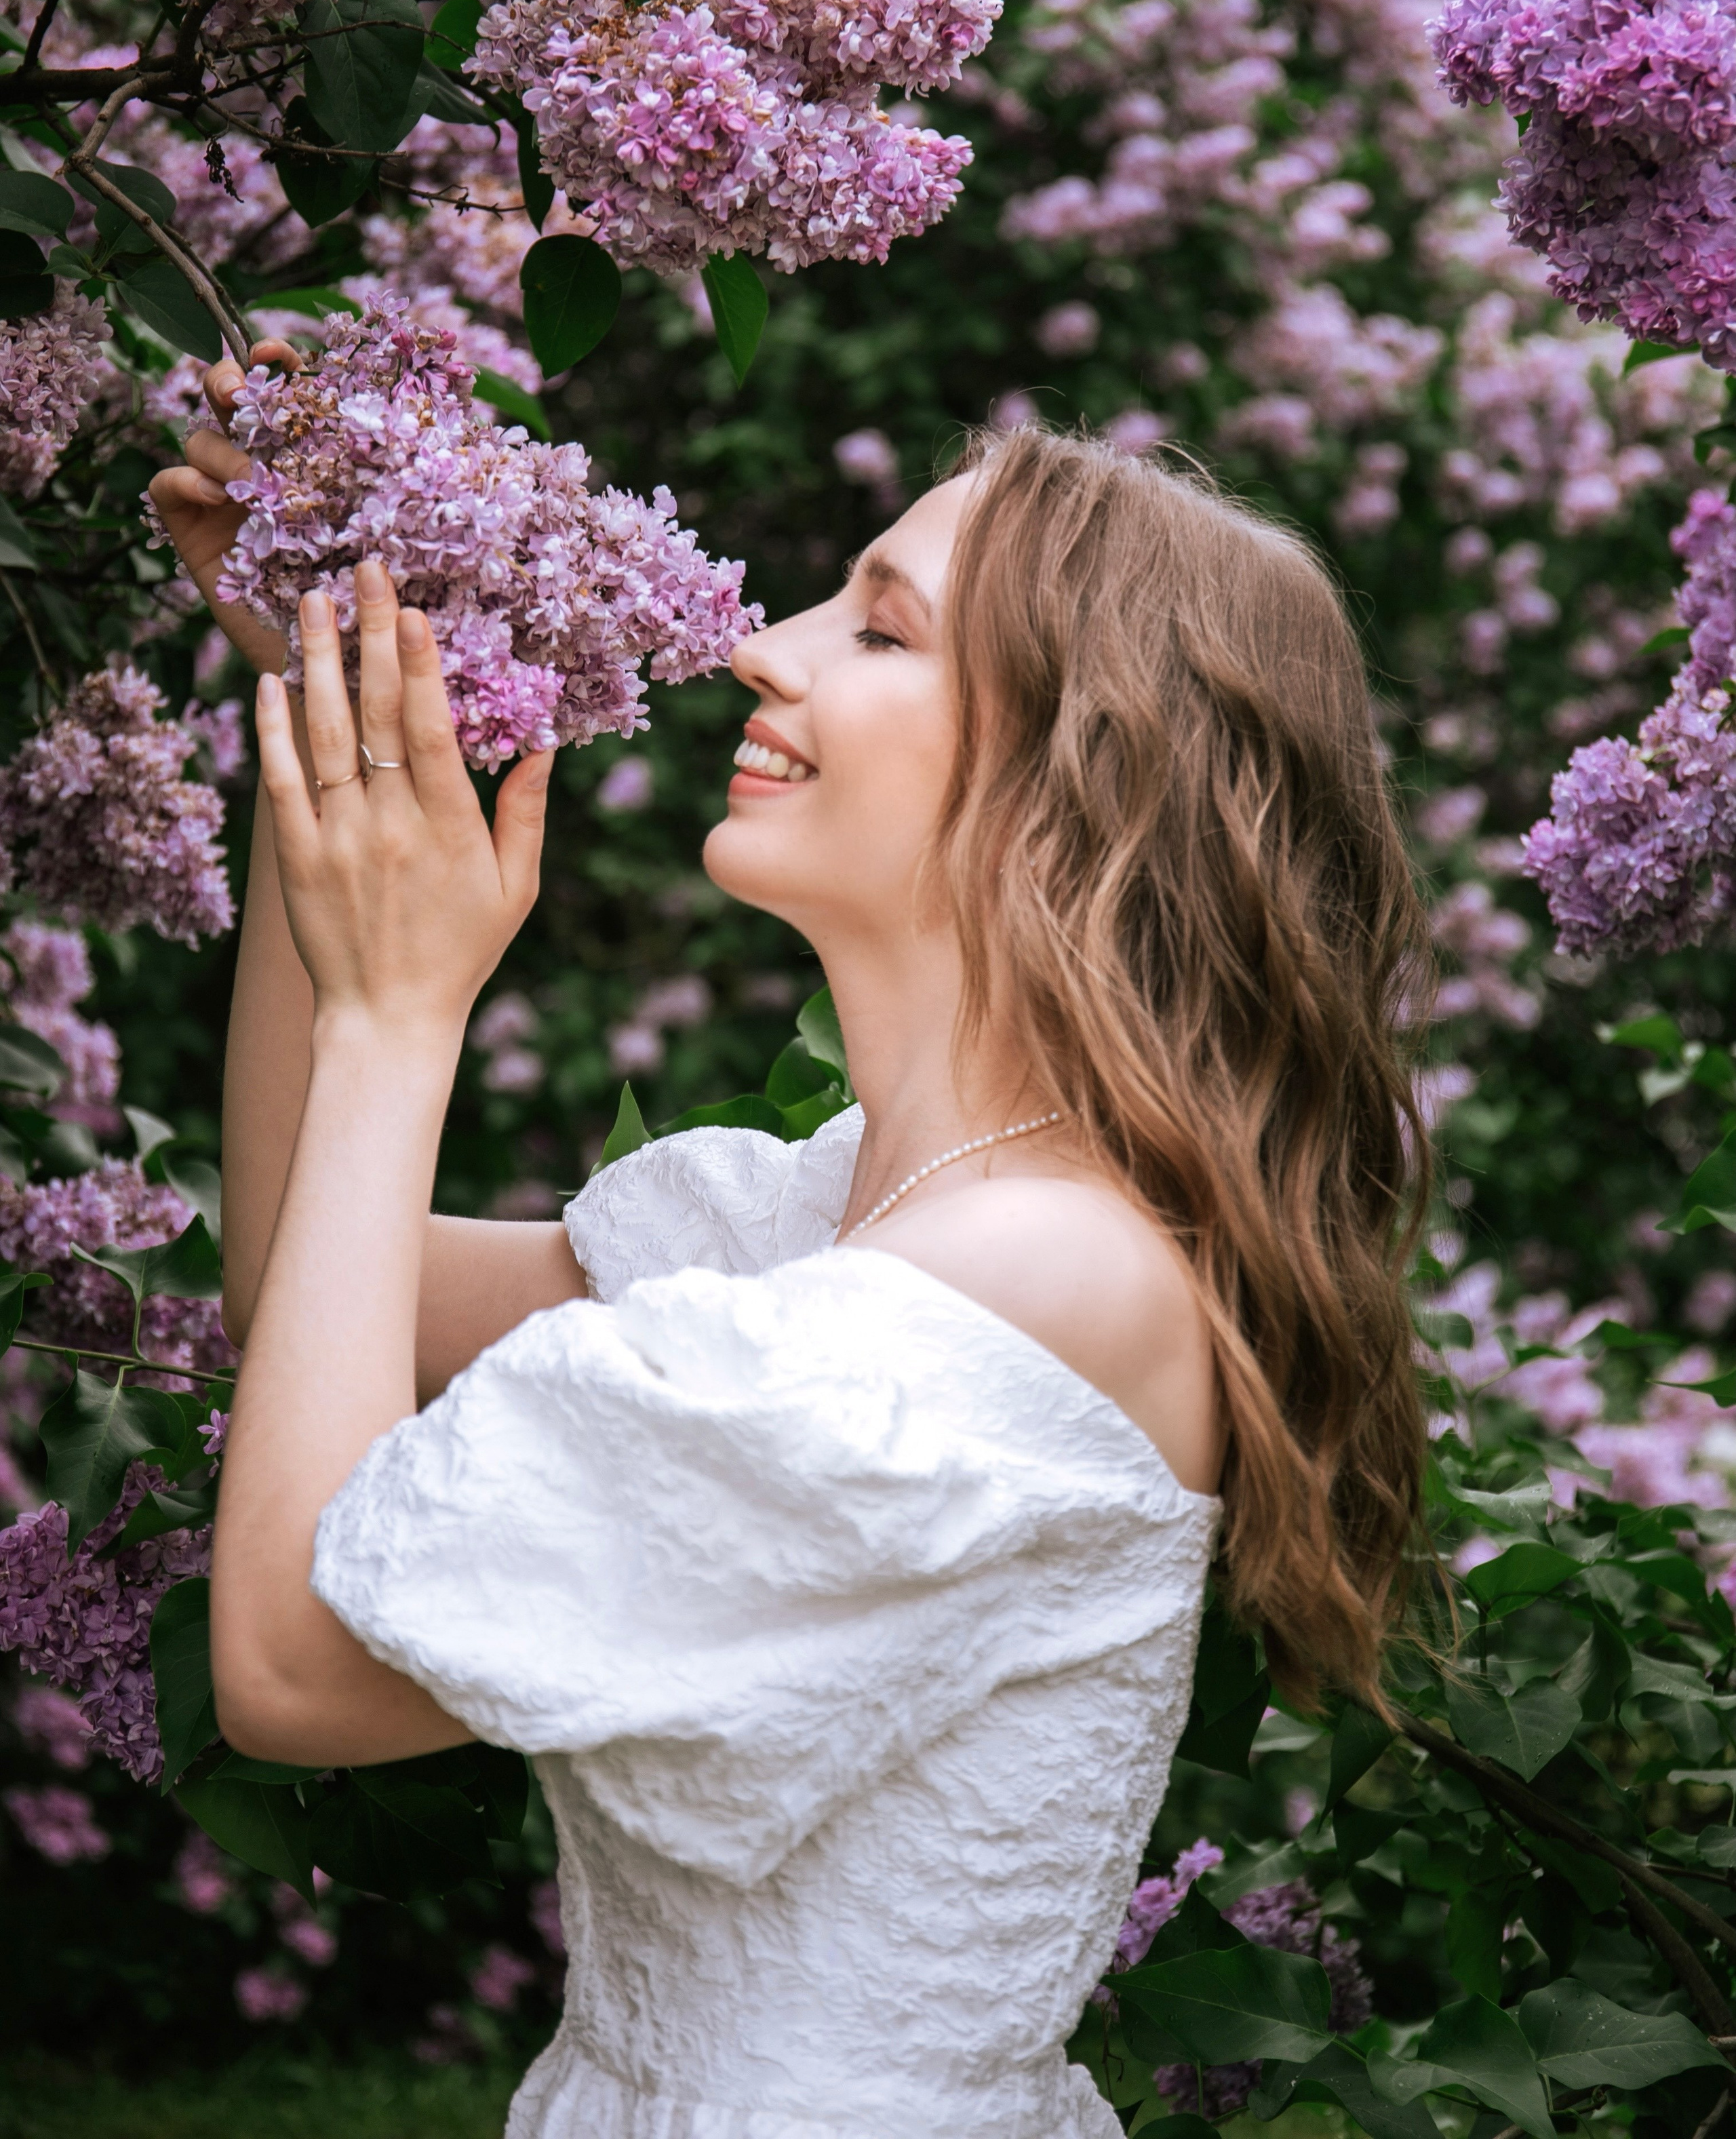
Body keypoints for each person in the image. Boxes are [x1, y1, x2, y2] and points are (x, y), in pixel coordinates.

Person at [149, 345, 1431, 2139]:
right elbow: (307, 1278)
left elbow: (296, 1668)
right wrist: (330, 730)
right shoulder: (837, 1221)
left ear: (1084, 780)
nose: (765, 645)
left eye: (881, 630)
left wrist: (401, 1021)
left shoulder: (1043, 1288)